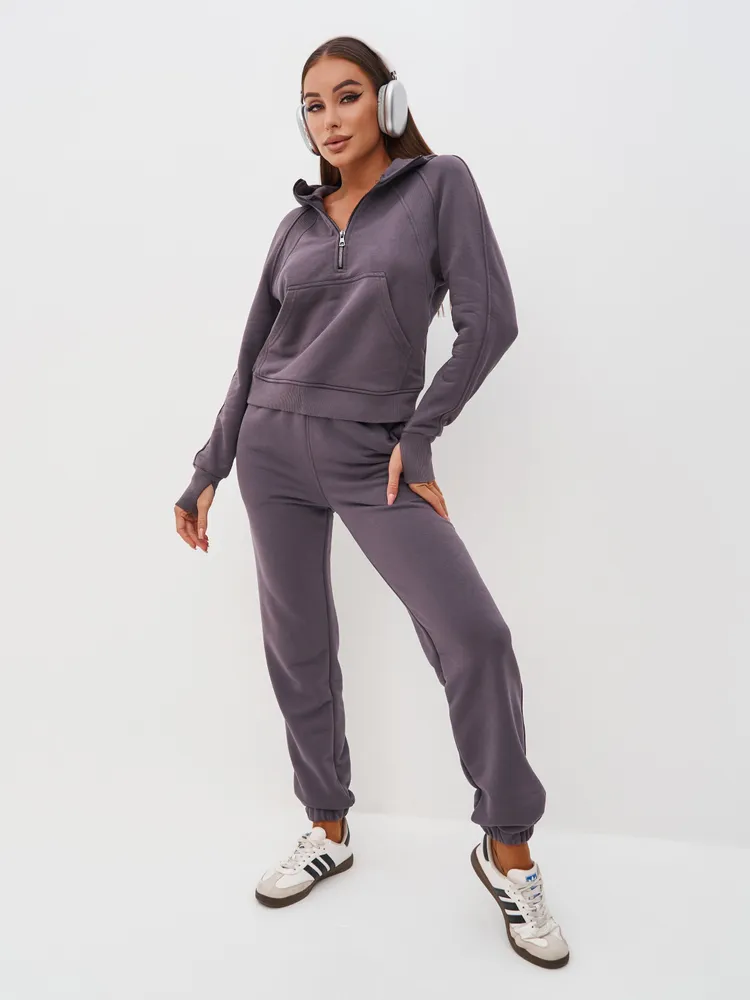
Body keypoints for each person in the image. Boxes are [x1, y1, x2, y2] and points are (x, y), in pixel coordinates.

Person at [173, 35, 570, 969]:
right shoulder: (296, 227)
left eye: (348, 95)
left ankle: (507, 847)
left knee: (475, 635)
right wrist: (209, 465)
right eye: (313, 105)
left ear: (387, 102)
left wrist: (420, 435)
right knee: (298, 646)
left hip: (372, 456)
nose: (330, 118)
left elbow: (490, 321)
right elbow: (250, 356)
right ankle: (328, 825)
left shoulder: (439, 185)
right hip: (271, 448)